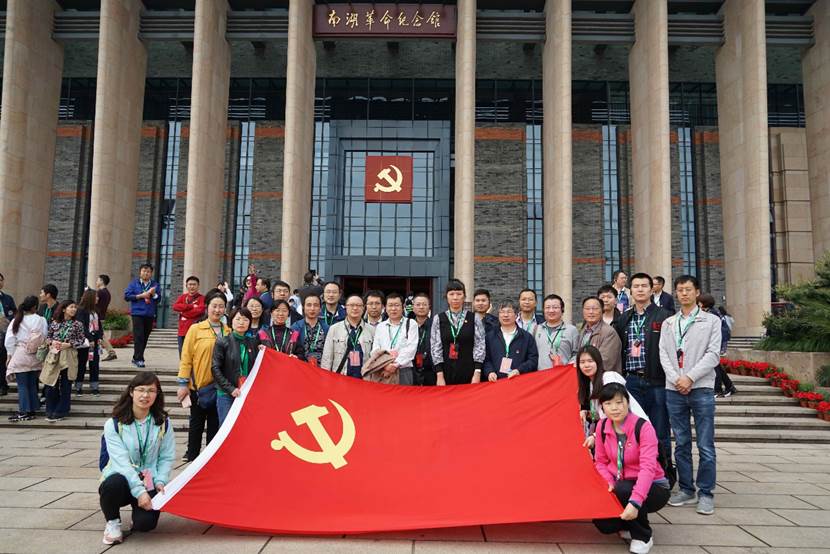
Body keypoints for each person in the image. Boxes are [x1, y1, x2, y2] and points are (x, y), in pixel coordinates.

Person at [659, 274, 721, 516]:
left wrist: (690, 377)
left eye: (688, 289)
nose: (684, 293)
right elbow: (664, 353)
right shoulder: (669, 323)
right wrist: (677, 378)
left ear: (697, 292)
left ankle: (706, 493)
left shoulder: (711, 321)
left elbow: (713, 354)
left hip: (701, 387)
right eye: (680, 290)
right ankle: (686, 489)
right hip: (674, 389)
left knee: (705, 444)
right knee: (681, 442)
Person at [591, 383, 670, 554]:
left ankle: (643, 536)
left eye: (619, 402)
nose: (614, 408)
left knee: (625, 489)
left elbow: (648, 468)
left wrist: (635, 502)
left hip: (653, 486)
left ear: (628, 403)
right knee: (603, 523)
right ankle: (627, 525)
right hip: (619, 482)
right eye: (608, 403)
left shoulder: (643, 427)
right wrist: (609, 482)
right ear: (602, 407)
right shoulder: (602, 426)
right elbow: (600, 462)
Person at [99, 371, 175, 545]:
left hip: (148, 478)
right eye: (141, 390)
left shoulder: (163, 422)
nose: (145, 395)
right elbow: (122, 463)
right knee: (112, 484)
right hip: (122, 478)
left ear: (157, 394)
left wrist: (161, 480)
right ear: (131, 392)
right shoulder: (114, 424)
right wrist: (140, 492)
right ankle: (112, 522)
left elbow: (166, 456)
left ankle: (137, 516)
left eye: (151, 391)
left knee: (145, 525)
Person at [615, 273, 674, 485]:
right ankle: (639, 475)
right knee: (634, 430)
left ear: (652, 289)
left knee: (660, 431)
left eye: (644, 286)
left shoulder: (665, 316)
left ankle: (663, 476)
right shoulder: (624, 318)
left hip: (656, 381)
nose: (640, 289)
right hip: (632, 381)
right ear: (630, 290)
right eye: (636, 286)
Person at [177, 292, 228, 462]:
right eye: (214, 306)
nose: (217, 310)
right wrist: (183, 383)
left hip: (220, 387)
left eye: (221, 306)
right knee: (196, 423)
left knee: (215, 424)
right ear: (207, 307)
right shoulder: (196, 329)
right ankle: (192, 457)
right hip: (198, 386)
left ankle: (209, 460)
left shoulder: (228, 331)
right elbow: (186, 357)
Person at [577, 346, 647, 441]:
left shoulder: (609, 379)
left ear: (598, 362)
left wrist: (595, 436)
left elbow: (616, 412)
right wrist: (588, 413)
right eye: (582, 362)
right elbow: (603, 413)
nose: (586, 365)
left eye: (590, 361)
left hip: (634, 432)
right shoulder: (591, 384)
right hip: (616, 434)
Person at [430, 279, 486, 385]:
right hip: (445, 372)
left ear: (464, 297)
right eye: (451, 294)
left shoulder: (474, 318)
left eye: (459, 294)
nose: (455, 297)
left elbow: (480, 345)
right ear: (446, 297)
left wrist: (477, 372)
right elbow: (435, 347)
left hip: (469, 371)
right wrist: (439, 374)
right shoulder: (439, 318)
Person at [212, 307, 262, 425]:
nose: (241, 322)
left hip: (246, 392)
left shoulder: (254, 342)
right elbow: (215, 368)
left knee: (245, 428)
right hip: (226, 393)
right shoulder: (222, 341)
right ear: (231, 321)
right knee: (226, 426)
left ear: (249, 323)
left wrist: (263, 352)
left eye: (245, 320)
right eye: (238, 319)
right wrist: (230, 389)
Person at [41, 300, 86, 422]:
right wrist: (52, 342)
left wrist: (69, 344)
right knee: (51, 382)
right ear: (63, 309)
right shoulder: (54, 323)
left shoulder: (77, 324)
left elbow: (81, 340)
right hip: (54, 354)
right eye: (71, 307)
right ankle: (50, 410)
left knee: (66, 383)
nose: (74, 309)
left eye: (75, 307)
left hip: (69, 354)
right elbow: (48, 337)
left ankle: (62, 410)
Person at [5, 296, 47, 421]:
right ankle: (32, 409)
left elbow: (9, 339)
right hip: (36, 355)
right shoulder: (41, 320)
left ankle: (24, 411)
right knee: (32, 384)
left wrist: (10, 355)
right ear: (35, 307)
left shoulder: (17, 320)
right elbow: (44, 335)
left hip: (20, 353)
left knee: (22, 385)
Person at [483, 300, 538, 382]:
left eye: (509, 312)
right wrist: (490, 372)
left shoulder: (526, 337)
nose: (505, 315)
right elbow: (485, 359)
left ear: (516, 315)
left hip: (519, 381)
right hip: (495, 382)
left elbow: (533, 359)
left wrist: (519, 370)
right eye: (502, 312)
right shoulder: (490, 337)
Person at [321, 294, 375, 378]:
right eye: (351, 305)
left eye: (358, 305)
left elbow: (374, 359)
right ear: (346, 307)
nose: (355, 308)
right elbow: (327, 358)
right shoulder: (334, 329)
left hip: (364, 379)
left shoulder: (371, 330)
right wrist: (325, 379)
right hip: (340, 378)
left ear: (363, 308)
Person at [371, 293, 418, 385]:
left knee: (404, 394)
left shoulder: (411, 323)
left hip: (403, 370)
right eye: (390, 305)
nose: (393, 309)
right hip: (383, 369)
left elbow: (411, 348)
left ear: (403, 307)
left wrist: (395, 365)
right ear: (385, 307)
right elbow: (375, 349)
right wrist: (385, 365)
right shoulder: (381, 326)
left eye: (396, 305)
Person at [124, 264, 160, 369]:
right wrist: (140, 296)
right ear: (140, 272)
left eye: (148, 271)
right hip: (137, 314)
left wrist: (153, 294)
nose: (146, 273)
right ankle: (139, 359)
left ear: (151, 273)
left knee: (145, 337)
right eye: (144, 271)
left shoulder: (155, 285)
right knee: (138, 336)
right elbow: (127, 296)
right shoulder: (133, 284)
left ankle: (136, 357)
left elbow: (158, 299)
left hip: (149, 314)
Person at [700, 294, 737, 397]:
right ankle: (729, 386)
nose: (698, 304)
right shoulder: (712, 312)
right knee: (716, 365)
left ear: (704, 303)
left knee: (714, 364)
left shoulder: (712, 314)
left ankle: (718, 389)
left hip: (717, 340)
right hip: (718, 339)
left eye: (699, 302)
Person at [577, 297, 622, 373]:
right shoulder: (583, 331)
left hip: (602, 377)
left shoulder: (609, 333)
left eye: (595, 309)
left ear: (602, 311)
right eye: (587, 309)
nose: (591, 312)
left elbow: (605, 362)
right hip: (586, 375)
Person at [535, 293, 579, 369]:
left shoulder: (572, 330)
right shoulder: (537, 329)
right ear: (543, 310)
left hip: (563, 374)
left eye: (555, 307)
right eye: (547, 307)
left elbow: (577, 354)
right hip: (541, 374)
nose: (551, 310)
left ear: (562, 309)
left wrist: (567, 366)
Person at [75, 289, 103, 396]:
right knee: (81, 364)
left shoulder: (96, 311)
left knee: (94, 364)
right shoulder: (81, 311)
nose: (98, 298)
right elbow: (81, 326)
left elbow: (99, 326)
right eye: (96, 296)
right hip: (85, 342)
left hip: (95, 342)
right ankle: (78, 386)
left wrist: (99, 337)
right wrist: (90, 338)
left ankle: (94, 387)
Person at [290, 293, 329, 364]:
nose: (312, 308)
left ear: (320, 308)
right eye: (309, 305)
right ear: (303, 307)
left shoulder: (326, 328)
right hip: (301, 367)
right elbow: (291, 347)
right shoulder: (295, 327)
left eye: (316, 305)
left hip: (321, 368)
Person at [172, 276, 205, 356]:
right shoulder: (183, 297)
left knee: (195, 355)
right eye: (190, 284)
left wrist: (183, 312)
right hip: (182, 331)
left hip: (196, 331)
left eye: (194, 284)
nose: (192, 286)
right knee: (183, 354)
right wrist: (190, 306)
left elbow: (200, 310)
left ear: (198, 286)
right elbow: (175, 306)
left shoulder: (202, 298)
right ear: (186, 286)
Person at [411, 292, 435, 386]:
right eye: (418, 304)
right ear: (413, 307)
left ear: (429, 307)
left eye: (424, 304)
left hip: (431, 370)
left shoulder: (435, 324)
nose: (421, 307)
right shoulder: (408, 325)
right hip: (411, 370)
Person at [0, 272, 17, 396]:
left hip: (4, 335)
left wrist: (7, 321)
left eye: (1, 280)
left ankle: (3, 385)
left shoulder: (8, 299)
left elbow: (15, 314)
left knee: (2, 361)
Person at [96, 275, 117, 362]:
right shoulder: (107, 293)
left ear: (102, 281)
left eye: (98, 280)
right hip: (102, 316)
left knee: (100, 335)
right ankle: (111, 353)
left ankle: (111, 353)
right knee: (100, 335)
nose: (96, 282)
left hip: (97, 317)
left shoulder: (100, 292)